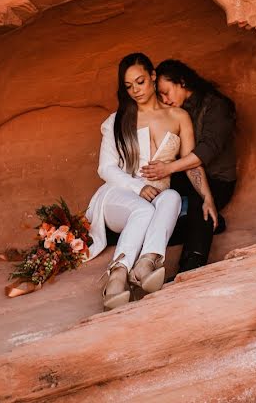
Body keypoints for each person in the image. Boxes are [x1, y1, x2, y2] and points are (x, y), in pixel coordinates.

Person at [85, 53, 216, 311]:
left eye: (141, 82)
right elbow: (106, 168)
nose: (135, 90)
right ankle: (117, 275)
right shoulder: (117, 121)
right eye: (129, 86)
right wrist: (138, 187)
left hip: (156, 198)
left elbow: (192, 163)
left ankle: (146, 264)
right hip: (117, 195)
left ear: (153, 77)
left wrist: (207, 198)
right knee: (143, 209)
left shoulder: (178, 117)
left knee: (173, 198)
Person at [141, 59, 236, 274]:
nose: (164, 99)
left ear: (182, 82)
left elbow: (205, 152)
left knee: (197, 203)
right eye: (161, 95)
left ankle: (192, 264)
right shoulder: (178, 111)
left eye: (166, 92)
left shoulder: (216, 106)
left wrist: (168, 168)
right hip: (186, 172)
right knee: (156, 198)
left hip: (218, 178)